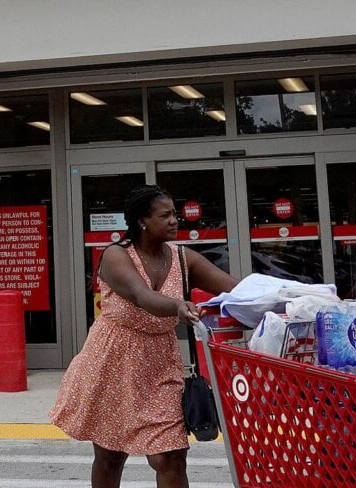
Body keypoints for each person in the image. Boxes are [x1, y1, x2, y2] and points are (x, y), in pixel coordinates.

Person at [50, 185, 239, 488]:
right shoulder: (116, 256)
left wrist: (286, 295)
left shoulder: (182, 258)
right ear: (142, 221)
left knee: (171, 457)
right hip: (113, 363)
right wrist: (177, 306)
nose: (174, 220)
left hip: (160, 365)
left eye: (175, 214)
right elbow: (142, 296)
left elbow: (234, 288)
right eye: (165, 216)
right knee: (111, 454)